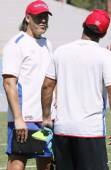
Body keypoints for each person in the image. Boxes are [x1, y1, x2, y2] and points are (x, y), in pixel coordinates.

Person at [41, 9, 111, 170]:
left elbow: (46, 86)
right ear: (103, 34)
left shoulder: (61, 51)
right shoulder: (105, 55)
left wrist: (46, 117)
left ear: (83, 25)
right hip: (90, 131)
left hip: (62, 129)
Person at [2, 1, 53, 170]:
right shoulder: (16, 44)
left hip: (45, 120)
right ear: (28, 18)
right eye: (39, 17)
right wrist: (18, 119)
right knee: (17, 163)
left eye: (45, 17)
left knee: (46, 163)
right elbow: (9, 83)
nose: (43, 21)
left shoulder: (47, 44)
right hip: (24, 119)